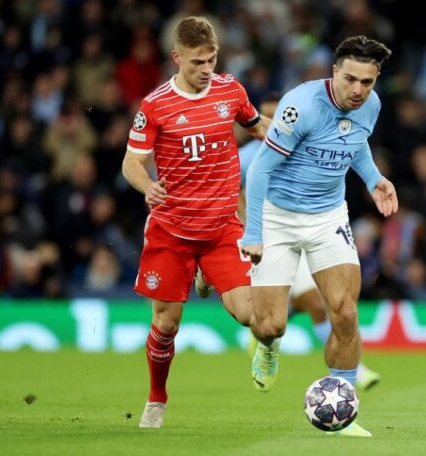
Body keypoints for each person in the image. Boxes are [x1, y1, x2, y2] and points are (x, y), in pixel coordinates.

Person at [241, 36, 398, 438]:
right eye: (351, 79)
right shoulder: (300, 106)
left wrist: (373, 178)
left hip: (329, 216)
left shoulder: (371, 106)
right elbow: (258, 170)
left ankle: (342, 407)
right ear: (334, 72)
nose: (359, 90)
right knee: (271, 324)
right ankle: (269, 347)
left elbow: (356, 145)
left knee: (345, 311)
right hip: (278, 217)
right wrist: (255, 232)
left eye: (368, 81)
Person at [121, 16, 269, 429]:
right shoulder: (155, 106)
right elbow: (131, 163)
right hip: (172, 232)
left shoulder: (230, 90)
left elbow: (259, 129)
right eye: (198, 62)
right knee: (166, 325)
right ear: (176, 58)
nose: (206, 69)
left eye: (212, 59)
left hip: (222, 228)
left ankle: (209, 276)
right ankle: (156, 399)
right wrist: (147, 186)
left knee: (251, 317)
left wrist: (297, 142)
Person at [196, 92, 381, 391]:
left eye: (277, 116)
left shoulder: (304, 143)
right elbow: (218, 190)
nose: (273, 124)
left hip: (304, 232)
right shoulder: (245, 158)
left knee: (321, 305)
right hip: (258, 238)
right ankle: (263, 338)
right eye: (266, 117)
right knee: (267, 321)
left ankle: (353, 373)